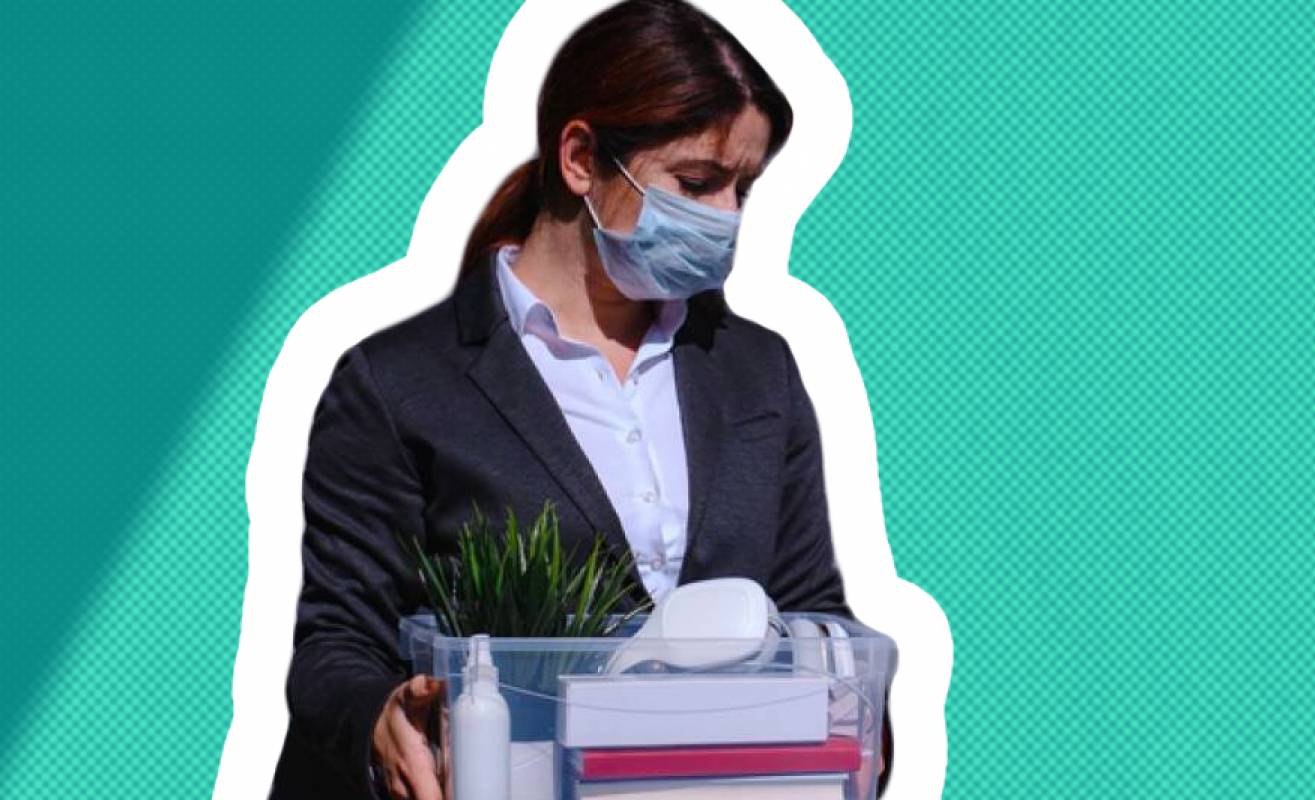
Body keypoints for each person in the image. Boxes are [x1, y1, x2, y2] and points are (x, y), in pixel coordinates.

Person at [267, 1, 891, 797]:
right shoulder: (398, 385)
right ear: (580, 157)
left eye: (744, 188)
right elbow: (336, 645)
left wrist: (857, 730)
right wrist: (379, 716)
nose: (728, 218)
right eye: (697, 183)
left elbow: (811, 614)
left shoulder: (755, 373)